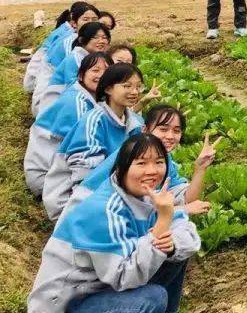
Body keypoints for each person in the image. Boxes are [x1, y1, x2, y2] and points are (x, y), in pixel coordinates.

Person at [27, 133, 201, 313]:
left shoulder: (151, 197)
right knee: (152, 299)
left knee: (174, 251)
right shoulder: (104, 209)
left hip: (99, 298)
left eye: (159, 162)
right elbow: (125, 277)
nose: (152, 170)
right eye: (141, 163)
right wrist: (161, 228)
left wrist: (169, 241)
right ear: (121, 168)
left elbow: (189, 237)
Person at [65, 104, 218, 219]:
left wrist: (200, 169)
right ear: (145, 130)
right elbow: (132, 211)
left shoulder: (163, 159)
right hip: (87, 214)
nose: (170, 136)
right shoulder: (133, 156)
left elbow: (185, 198)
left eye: (176, 131)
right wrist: (184, 210)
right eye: (163, 129)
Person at [43, 63, 147, 220]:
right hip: (72, 198)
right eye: (127, 86)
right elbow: (84, 175)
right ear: (108, 89)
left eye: (138, 87)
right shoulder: (94, 120)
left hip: (110, 191)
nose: (134, 92)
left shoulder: (136, 122)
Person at [26, 52, 111, 197]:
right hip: (47, 180)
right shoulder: (78, 104)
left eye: (107, 71)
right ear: (80, 75)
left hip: (52, 172)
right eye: (95, 70)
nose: (101, 75)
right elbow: (83, 155)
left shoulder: (91, 97)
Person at [33, 21, 112, 117]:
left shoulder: (92, 58)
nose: (101, 41)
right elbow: (75, 89)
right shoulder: (75, 58)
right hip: (54, 110)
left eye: (104, 38)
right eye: (95, 37)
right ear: (82, 40)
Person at [23, 2, 98, 94]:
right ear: (74, 23)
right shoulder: (69, 41)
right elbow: (71, 77)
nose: (90, 23)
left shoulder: (81, 38)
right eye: (85, 19)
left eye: (94, 19)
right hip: (48, 91)